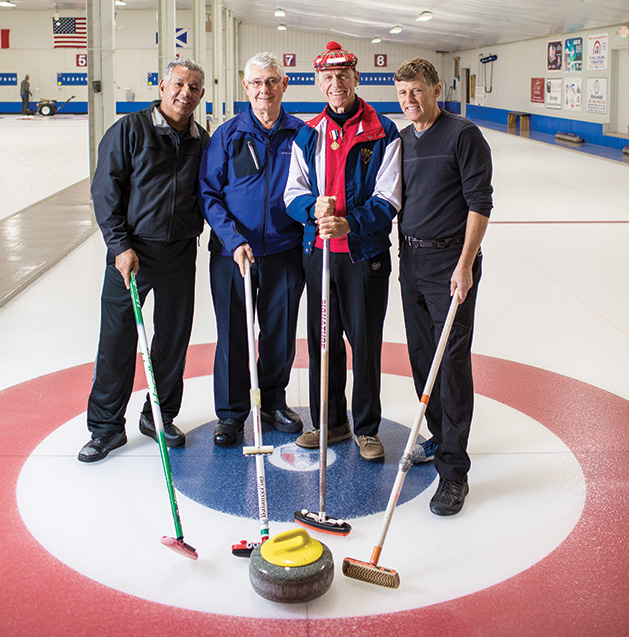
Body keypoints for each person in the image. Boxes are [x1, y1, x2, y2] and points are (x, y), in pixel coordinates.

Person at [78, 58, 208, 462]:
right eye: (179, 84)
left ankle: (159, 416)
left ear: (202, 95)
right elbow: (105, 192)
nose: (185, 93)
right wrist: (119, 246)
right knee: (117, 339)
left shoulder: (202, 140)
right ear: (163, 84)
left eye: (194, 88)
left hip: (180, 252)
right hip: (132, 253)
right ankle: (105, 428)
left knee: (172, 340)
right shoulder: (129, 130)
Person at [284, 41, 402, 462]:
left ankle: (366, 428)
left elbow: (389, 198)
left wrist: (351, 222)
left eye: (343, 76)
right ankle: (330, 421)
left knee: (365, 344)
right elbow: (292, 192)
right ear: (318, 82)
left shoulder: (383, 131)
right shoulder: (308, 132)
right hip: (318, 253)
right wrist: (309, 209)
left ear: (357, 77)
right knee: (323, 342)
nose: (336, 84)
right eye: (327, 78)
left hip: (362, 255)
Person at [394, 58, 493, 514]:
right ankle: (438, 436)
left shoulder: (463, 135)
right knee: (421, 359)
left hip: (450, 263)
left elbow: (479, 202)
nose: (409, 100)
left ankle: (454, 473)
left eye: (417, 91)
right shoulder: (403, 140)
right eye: (402, 93)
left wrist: (466, 264)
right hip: (411, 260)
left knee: (449, 365)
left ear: (436, 89)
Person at [198, 52, 305, 446]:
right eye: (257, 82)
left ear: (284, 84)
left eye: (272, 81)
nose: (265, 90)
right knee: (232, 335)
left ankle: (273, 401)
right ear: (246, 86)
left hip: (284, 251)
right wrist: (234, 238)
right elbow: (209, 195)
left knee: (279, 332)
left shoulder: (301, 136)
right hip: (231, 255)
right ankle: (230, 413)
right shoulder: (227, 136)